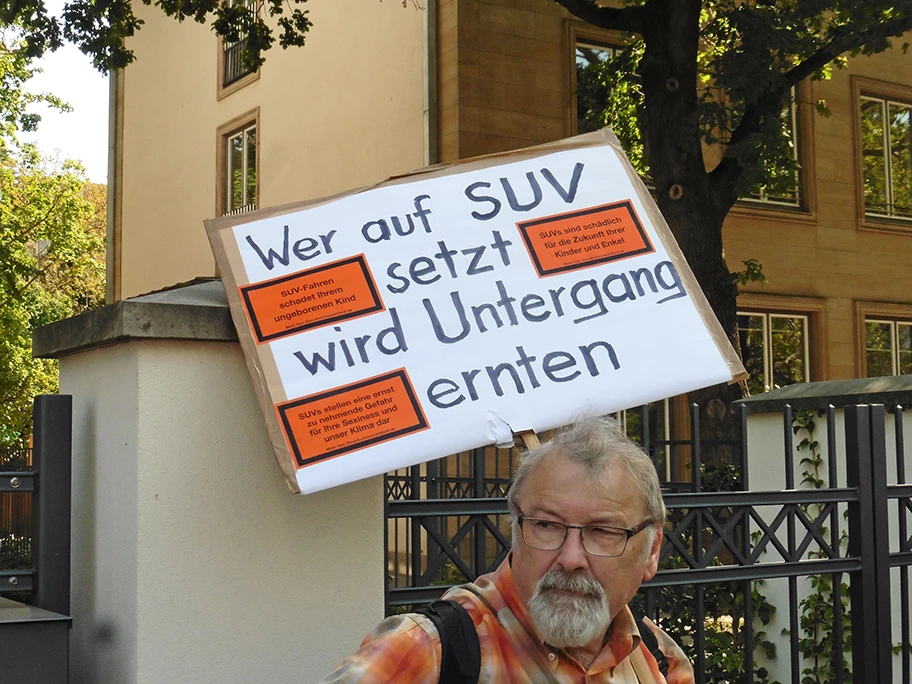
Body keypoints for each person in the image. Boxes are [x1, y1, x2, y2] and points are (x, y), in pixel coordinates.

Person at [321, 417, 694, 683]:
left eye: (603, 532)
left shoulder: (660, 660)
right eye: (546, 525)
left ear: (651, 551)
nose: (570, 558)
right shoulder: (428, 652)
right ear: (516, 527)